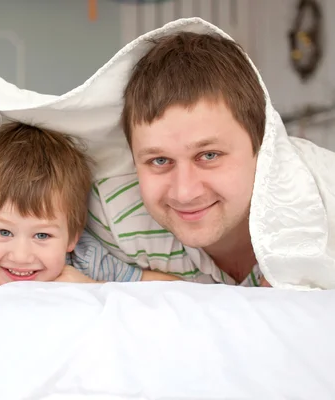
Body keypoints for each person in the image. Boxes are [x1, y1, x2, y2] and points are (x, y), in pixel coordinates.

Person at [86, 31, 271, 287]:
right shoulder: (110, 216)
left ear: (261, 145)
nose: (184, 193)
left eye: (209, 155)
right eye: (160, 160)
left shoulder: (321, 213)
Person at [0, 121, 182, 285]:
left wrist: (92, 287)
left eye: (42, 235)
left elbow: (180, 291)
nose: (21, 256)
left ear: (72, 238)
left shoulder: (86, 261)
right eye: (4, 232)